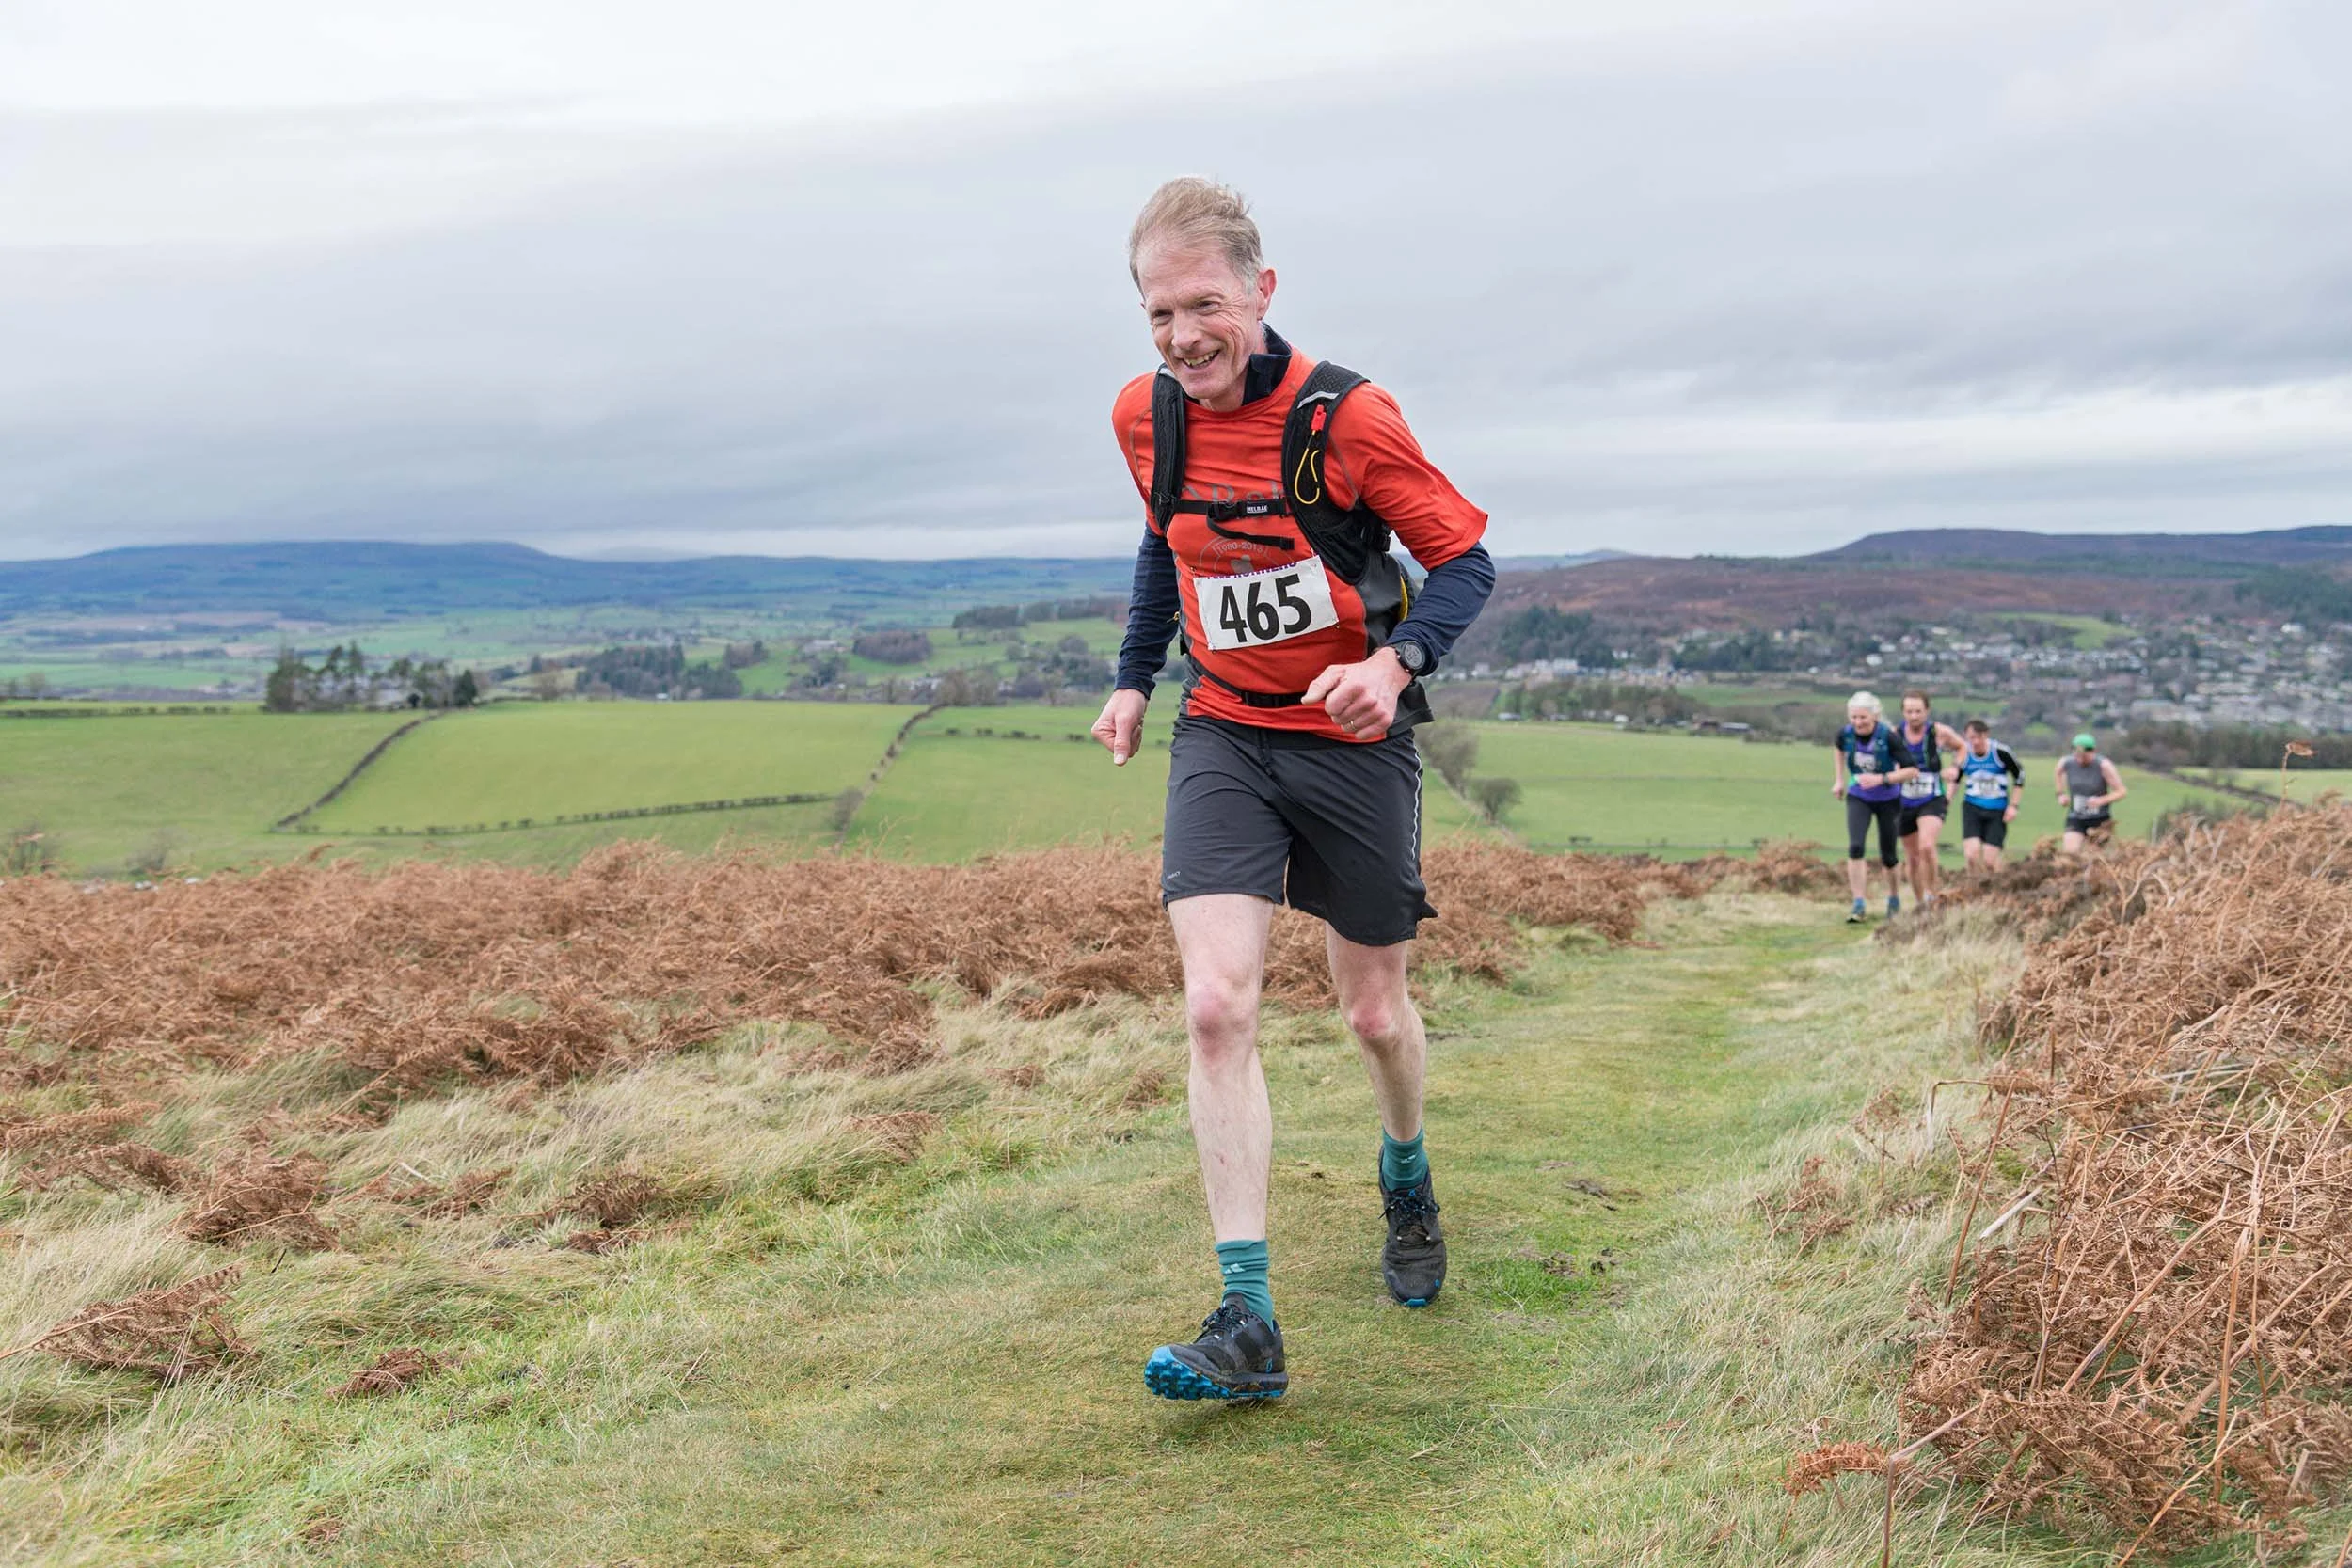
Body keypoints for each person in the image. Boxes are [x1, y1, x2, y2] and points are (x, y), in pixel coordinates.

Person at [1090, 178, 1496, 1402]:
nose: (1181, 336)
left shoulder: (1347, 419)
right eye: (1159, 313)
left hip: (1351, 742)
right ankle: (1248, 1318)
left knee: (1373, 1014)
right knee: (1216, 1002)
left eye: (1203, 304)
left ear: (1261, 291)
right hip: (1224, 731)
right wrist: (1132, 681)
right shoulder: (1144, 417)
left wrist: (1394, 659)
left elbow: (1466, 558)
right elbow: (1171, 542)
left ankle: (1407, 1165)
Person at [1832, 691, 1910, 923]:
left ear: (1874, 716)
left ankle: (1894, 899)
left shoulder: (1889, 737)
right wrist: (1839, 779)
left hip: (1889, 799)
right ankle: (1858, 903)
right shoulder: (1845, 735)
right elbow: (1837, 748)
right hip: (1859, 796)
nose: (1858, 722)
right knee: (1856, 846)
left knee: (1888, 855)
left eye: (1863, 717)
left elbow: (1911, 770)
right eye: (1854, 717)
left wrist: (1882, 779)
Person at [1891, 691, 1966, 911]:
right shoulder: (1895, 735)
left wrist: (1954, 767)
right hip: (1904, 800)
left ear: (1927, 711)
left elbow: (1962, 748)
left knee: (1927, 846)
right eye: (1909, 712)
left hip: (1932, 797)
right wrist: (1896, 771)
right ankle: (1919, 904)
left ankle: (1933, 895)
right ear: (1903, 712)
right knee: (1912, 857)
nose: (1913, 716)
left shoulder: (1939, 732)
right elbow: (1885, 761)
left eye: (1918, 711)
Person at [1956, 720, 2024, 872]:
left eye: (1978, 737)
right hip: (1972, 807)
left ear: (1986, 735)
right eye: (1971, 738)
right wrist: (1946, 800)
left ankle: (1993, 889)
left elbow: (2019, 776)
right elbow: (1956, 779)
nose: (1975, 742)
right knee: (1971, 855)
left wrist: (2013, 806)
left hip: (1997, 810)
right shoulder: (1963, 754)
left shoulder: (2001, 752)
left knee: (1989, 861)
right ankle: (1971, 888)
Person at [2055, 732, 2127, 855]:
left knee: (2091, 858)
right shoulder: (2067, 763)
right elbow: (2057, 772)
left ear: (2093, 751)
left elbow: (2121, 791)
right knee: (2069, 854)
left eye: (2083, 756)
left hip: (2099, 820)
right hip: (2076, 816)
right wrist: (2061, 794)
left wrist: (2101, 800)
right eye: (2077, 756)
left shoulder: (2104, 766)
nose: (2080, 759)